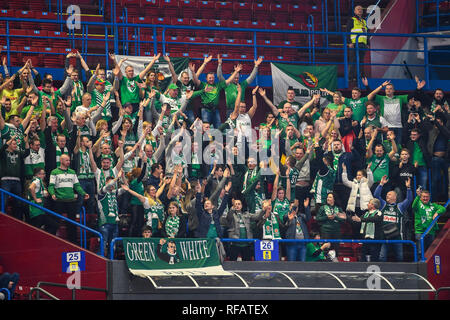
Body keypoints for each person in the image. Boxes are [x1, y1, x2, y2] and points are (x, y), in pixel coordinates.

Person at [48, 154, 88, 243]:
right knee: (55, 222)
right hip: (59, 201)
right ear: (61, 161)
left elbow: (77, 186)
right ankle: (52, 241)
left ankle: (73, 243)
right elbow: (51, 186)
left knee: (72, 223)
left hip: (71, 201)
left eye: (69, 160)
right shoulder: (54, 172)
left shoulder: (72, 172)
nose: (69, 162)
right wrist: (52, 194)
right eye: (66, 160)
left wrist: (83, 193)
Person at [374, 176, 413, 262]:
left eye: (389, 194)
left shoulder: (400, 206)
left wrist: (408, 188)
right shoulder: (383, 204)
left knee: (399, 257)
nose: (387, 195)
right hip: (385, 236)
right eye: (387, 194)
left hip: (397, 237)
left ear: (395, 197)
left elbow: (409, 199)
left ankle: (400, 275)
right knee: (382, 257)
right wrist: (381, 184)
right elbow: (376, 195)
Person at [221, 196, 257, 261]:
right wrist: (232, 209)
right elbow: (228, 217)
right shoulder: (231, 214)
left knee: (247, 265)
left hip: (246, 243)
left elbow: (256, 216)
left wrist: (263, 210)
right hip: (235, 243)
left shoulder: (246, 214)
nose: (237, 206)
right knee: (232, 264)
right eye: (235, 204)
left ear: (241, 206)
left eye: (239, 204)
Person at [413, 188, 446, 257]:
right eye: (423, 197)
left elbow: (443, 208)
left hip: (430, 231)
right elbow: (413, 205)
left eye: (427, 197)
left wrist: (437, 212)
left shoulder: (433, 205)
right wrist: (418, 196)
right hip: (420, 231)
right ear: (421, 197)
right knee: (420, 252)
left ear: (429, 197)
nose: (425, 198)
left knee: (430, 251)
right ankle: (420, 264)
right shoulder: (418, 205)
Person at [28, 167, 58, 235]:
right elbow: (31, 188)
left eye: (43, 174)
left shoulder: (39, 181)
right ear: (36, 174)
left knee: (37, 229)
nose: (42, 176)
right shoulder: (37, 180)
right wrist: (36, 199)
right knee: (54, 225)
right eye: (40, 174)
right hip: (36, 210)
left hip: (39, 210)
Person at [346, 5, 369, 82]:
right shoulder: (352, 20)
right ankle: (350, 77)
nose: (360, 10)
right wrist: (349, 42)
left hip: (363, 44)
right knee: (353, 60)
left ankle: (358, 76)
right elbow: (347, 32)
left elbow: (366, 33)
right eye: (358, 9)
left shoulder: (364, 21)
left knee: (361, 61)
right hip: (354, 43)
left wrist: (367, 43)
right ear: (354, 11)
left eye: (361, 9)